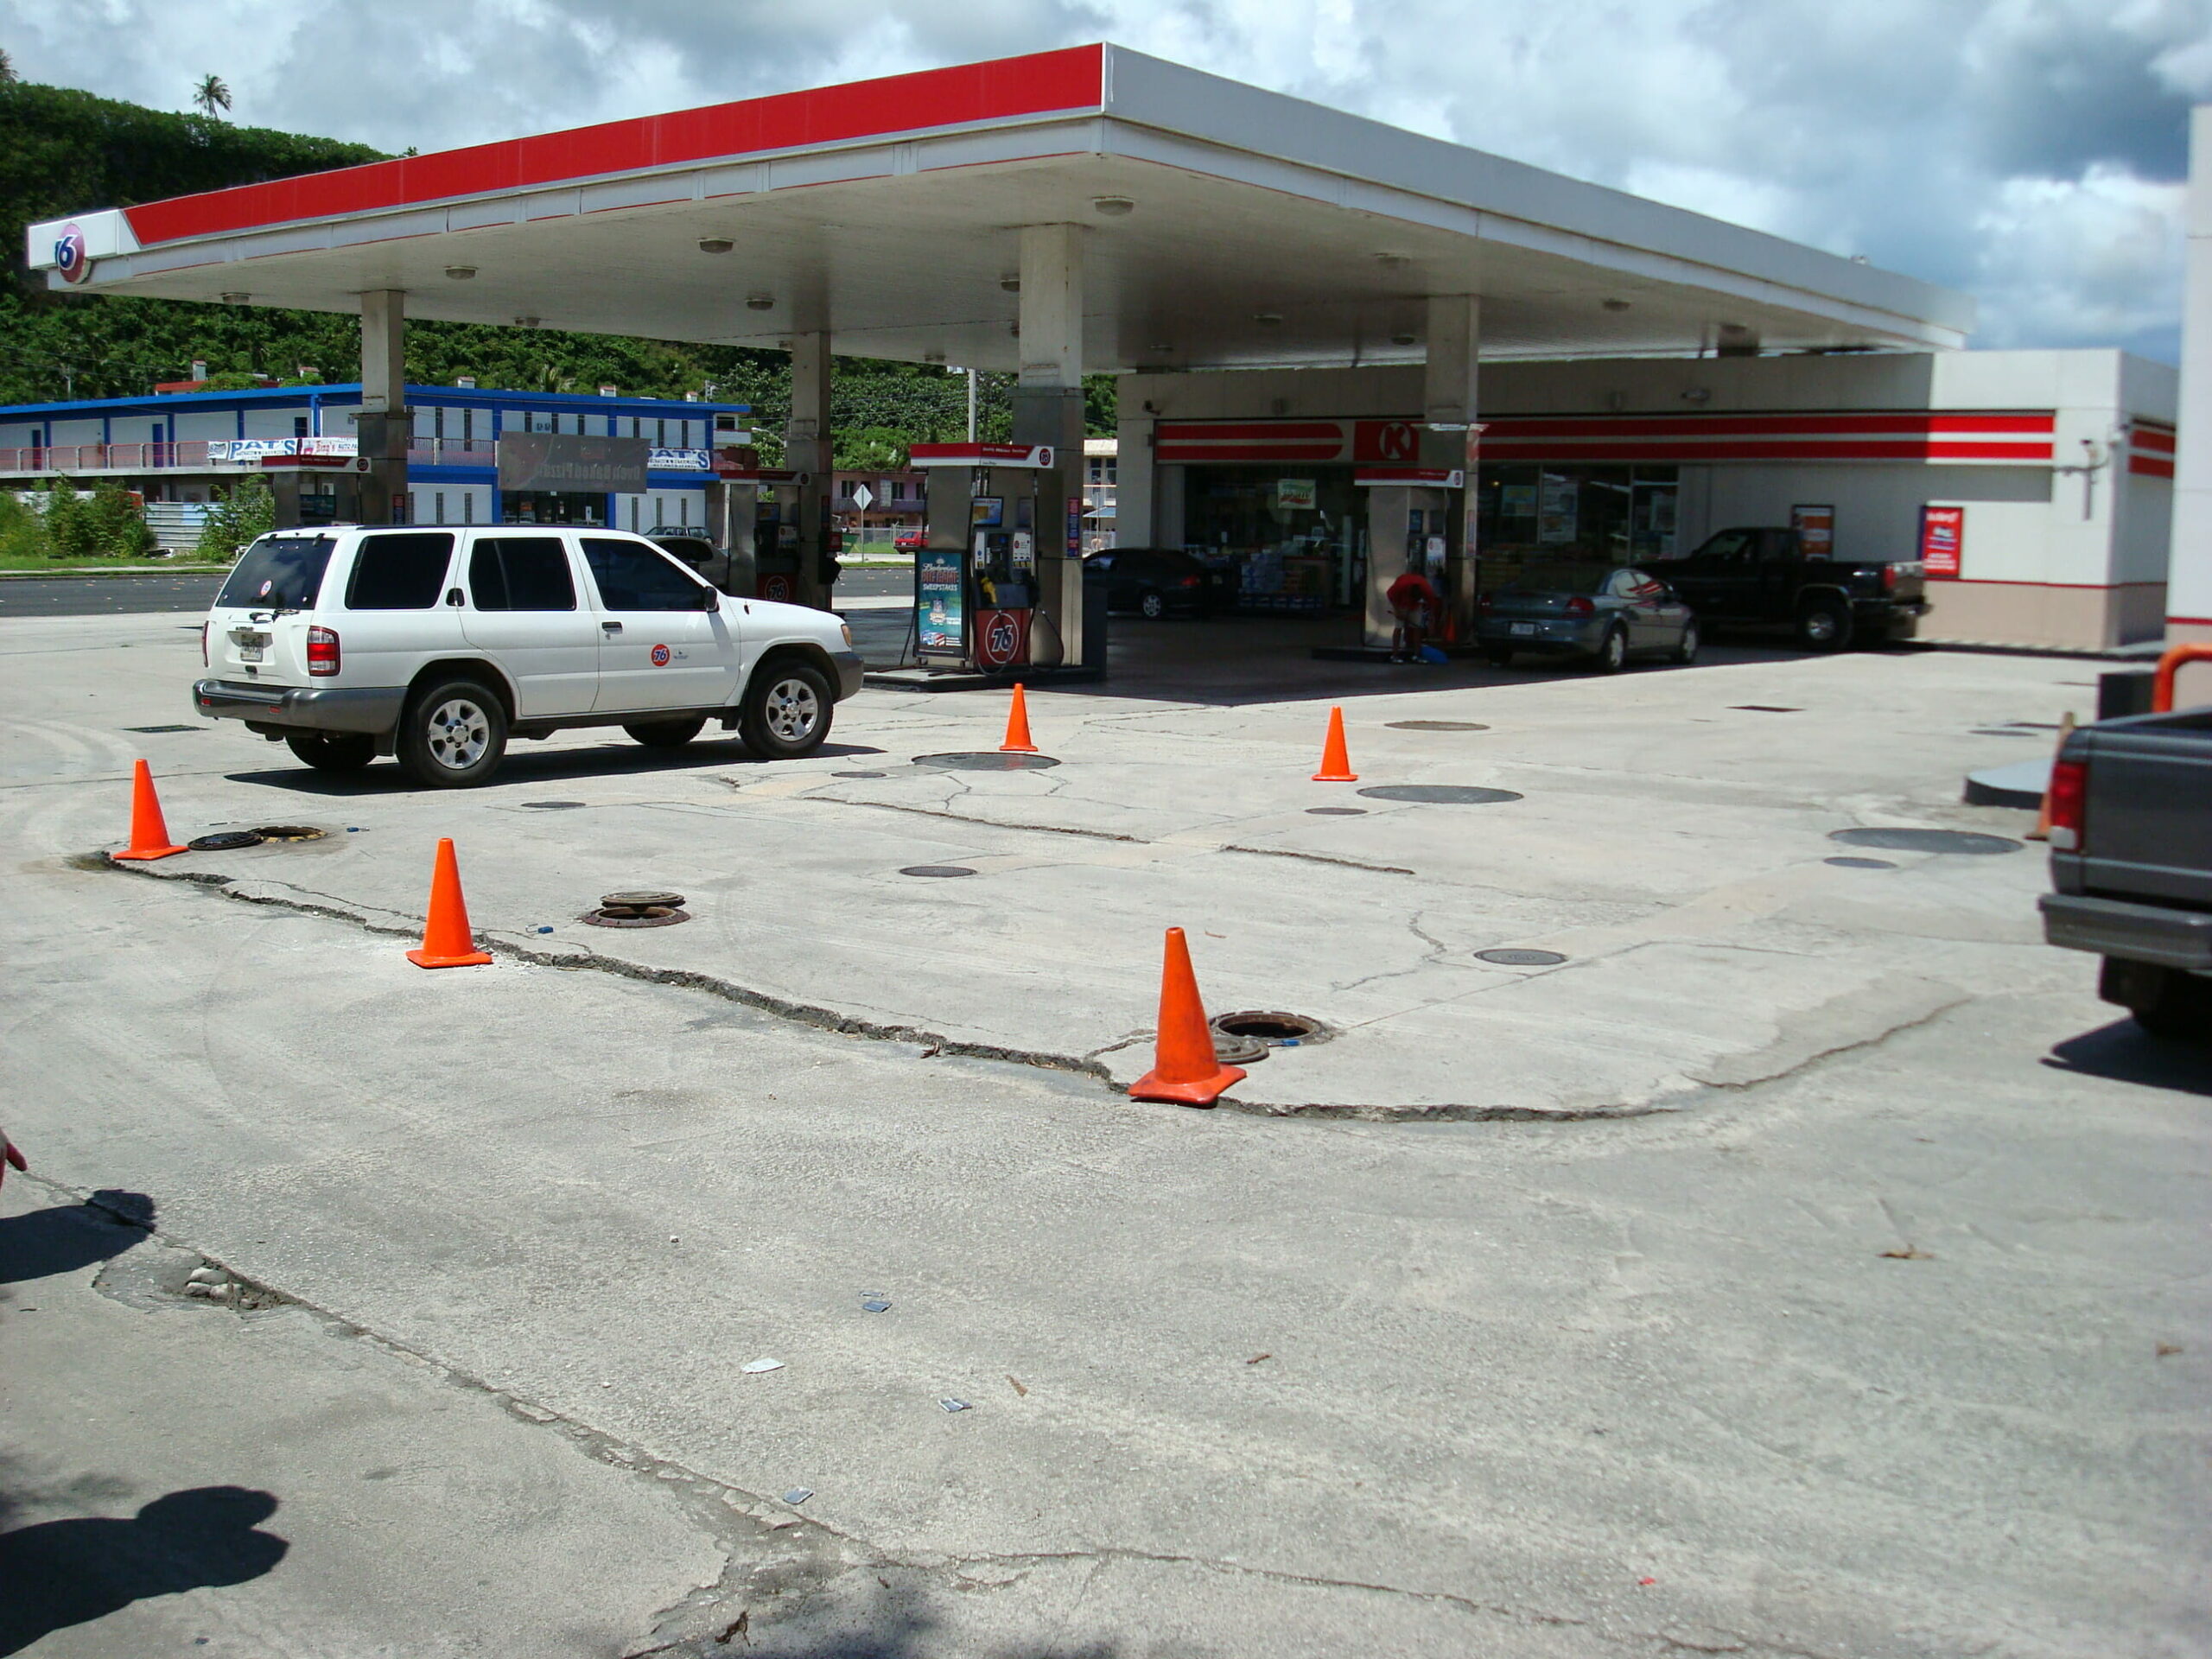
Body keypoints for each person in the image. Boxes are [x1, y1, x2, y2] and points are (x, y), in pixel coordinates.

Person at [1386, 567, 1441, 663]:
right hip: (1401, 603)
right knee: (1398, 627)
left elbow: (1432, 603)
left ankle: (1417, 655)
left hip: (1416, 605)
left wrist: (1431, 620)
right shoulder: (1400, 586)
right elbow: (1391, 595)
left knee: (1417, 628)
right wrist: (1398, 611)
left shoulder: (1426, 589)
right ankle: (1394, 655)